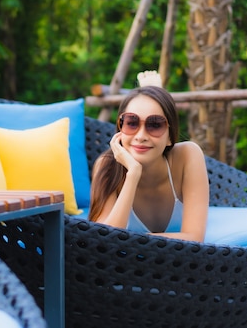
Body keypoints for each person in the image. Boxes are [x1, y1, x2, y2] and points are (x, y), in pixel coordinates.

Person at [88, 85, 209, 242]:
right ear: (120, 128)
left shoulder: (187, 155)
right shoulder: (107, 166)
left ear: (170, 137)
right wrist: (133, 174)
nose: (141, 136)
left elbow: (195, 238)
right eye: (132, 123)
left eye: (155, 125)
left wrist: (128, 240)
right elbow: (104, 242)